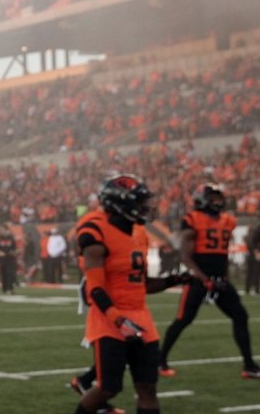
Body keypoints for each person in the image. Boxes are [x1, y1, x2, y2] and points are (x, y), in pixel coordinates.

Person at [74, 174, 188, 414]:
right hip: (109, 319)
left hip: (141, 318)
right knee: (108, 388)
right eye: (138, 202)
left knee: (147, 388)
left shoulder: (137, 234)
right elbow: (95, 288)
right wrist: (118, 319)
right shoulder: (96, 229)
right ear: (119, 203)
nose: (144, 208)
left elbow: (142, 284)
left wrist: (175, 279)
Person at [158, 183, 260, 379]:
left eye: (219, 197)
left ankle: (249, 365)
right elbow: (185, 256)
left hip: (220, 279)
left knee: (241, 316)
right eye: (213, 197)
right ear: (202, 199)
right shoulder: (192, 219)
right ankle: (160, 361)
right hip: (199, 279)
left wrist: (223, 277)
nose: (218, 201)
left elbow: (221, 254)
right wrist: (204, 279)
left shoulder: (228, 221)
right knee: (183, 320)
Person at [0, 224, 18, 294]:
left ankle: (10, 289)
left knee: (10, 274)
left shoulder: (11, 238)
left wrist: (14, 252)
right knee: (4, 274)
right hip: (2, 259)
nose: (1, 231)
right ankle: (4, 288)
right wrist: (0, 253)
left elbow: (14, 248)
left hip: (10, 259)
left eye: (3, 229)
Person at [246, 218, 260, 295]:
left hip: (253, 254)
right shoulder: (257, 230)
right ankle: (254, 289)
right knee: (255, 272)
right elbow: (253, 243)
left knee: (253, 272)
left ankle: (251, 288)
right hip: (254, 254)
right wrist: (256, 253)